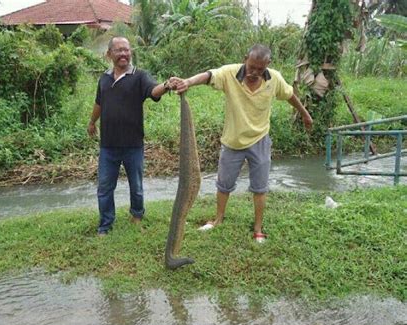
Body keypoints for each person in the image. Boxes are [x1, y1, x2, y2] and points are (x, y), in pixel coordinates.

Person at [174, 44, 313, 242]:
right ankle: (218, 219)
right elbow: (208, 76)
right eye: (251, 67)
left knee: (260, 187)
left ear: (267, 65)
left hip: (260, 140)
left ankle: (258, 228)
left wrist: (305, 114)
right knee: (224, 184)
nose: (254, 72)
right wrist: (187, 82)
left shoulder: (274, 78)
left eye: (260, 69)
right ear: (245, 58)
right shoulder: (230, 73)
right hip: (232, 141)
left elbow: (290, 95)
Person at [88, 36, 175, 236]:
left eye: (126, 50)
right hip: (108, 146)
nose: (123, 54)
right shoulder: (104, 78)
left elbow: (154, 91)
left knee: (136, 186)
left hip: (133, 145)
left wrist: (167, 85)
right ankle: (105, 225)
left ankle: (137, 215)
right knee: (104, 187)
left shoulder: (139, 76)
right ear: (109, 54)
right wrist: (92, 122)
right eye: (118, 50)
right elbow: (99, 103)